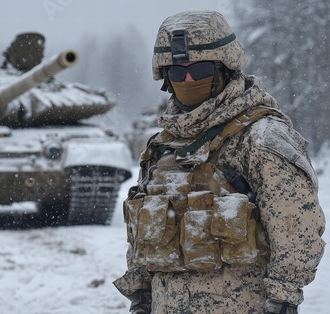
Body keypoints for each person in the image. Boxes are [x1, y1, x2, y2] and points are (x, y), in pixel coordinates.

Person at [113, 10, 325, 314]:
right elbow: (144, 232)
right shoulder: (162, 147)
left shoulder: (259, 138)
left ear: (225, 69)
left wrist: (282, 298)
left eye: (199, 71)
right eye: (177, 73)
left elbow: (296, 228)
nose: (187, 80)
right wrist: (141, 294)